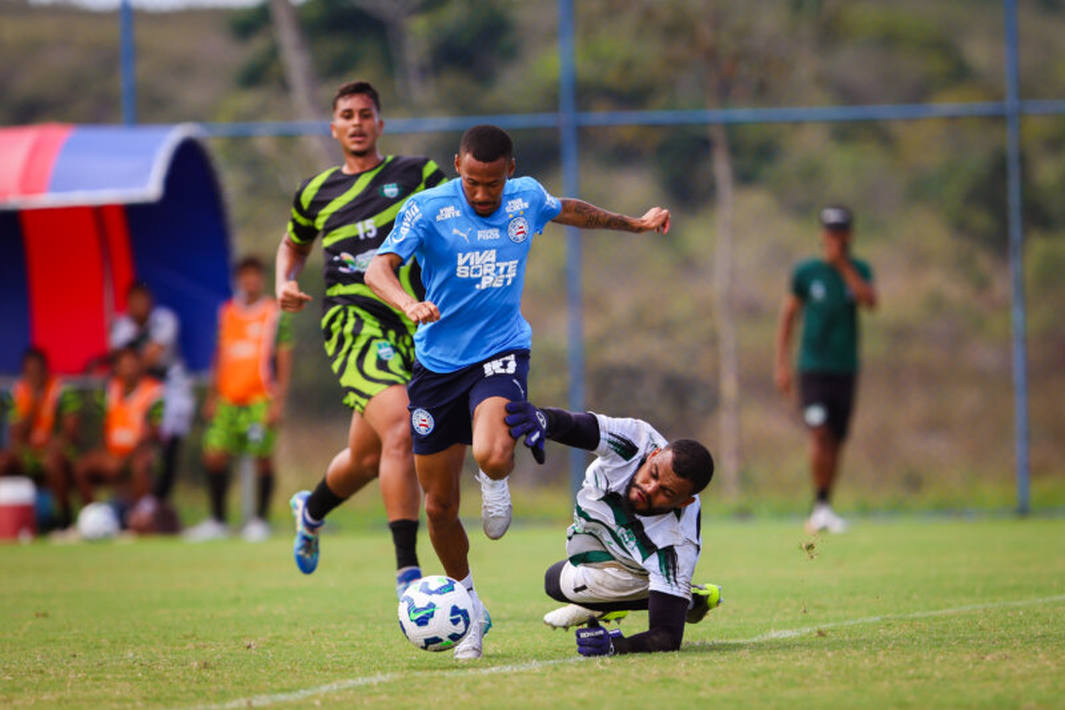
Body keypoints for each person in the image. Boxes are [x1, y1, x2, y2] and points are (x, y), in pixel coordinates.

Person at [365, 124, 671, 659]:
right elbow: (378, 268)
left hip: (500, 351)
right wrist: (407, 305)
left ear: (511, 169)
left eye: (493, 183)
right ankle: (468, 609)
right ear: (457, 164)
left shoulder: (525, 197)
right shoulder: (428, 209)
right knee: (438, 507)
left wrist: (634, 225)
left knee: (494, 451)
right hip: (436, 367)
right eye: (473, 182)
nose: (483, 194)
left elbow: (569, 209)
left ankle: (494, 476)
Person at [276, 80, 447, 595]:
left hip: (414, 321)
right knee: (401, 430)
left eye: (365, 113)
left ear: (380, 124)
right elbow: (293, 244)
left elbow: (458, 215)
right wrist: (285, 280)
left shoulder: (416, 175)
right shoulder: (315, 191)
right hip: (352, 322)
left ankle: (312, 510)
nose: (356, 122)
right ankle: (407, 573)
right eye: (346, 115)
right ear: (334, 128)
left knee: (369, 459)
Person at [502, 401, 721, 656]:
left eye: (666, 492)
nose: (649, 488)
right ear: (652, 456)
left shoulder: (675, 545)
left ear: (683, 502)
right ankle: (673, 598)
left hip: (631, 567)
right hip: (596, 530)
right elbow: (581, 426)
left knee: (555, 581)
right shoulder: (636, 441)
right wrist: (545, 420)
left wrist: (616, 646)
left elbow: (667, 635)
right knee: (567, 564)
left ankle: (685, 599)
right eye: (653, 473)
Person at [773, 205, 877, 534]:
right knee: (818, 432)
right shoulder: (807, 273)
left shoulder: (858, 269)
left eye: (840, 230)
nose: (834, 236)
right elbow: (788, 317)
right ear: (822, 233)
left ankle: (825, 504)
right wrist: (782, 365)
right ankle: (818, 506)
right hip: (813, 368)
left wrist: (843, 266)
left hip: (845, 368)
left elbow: (870, 302)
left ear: (849, 235)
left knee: (836, 439)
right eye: (829, 230)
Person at [185, 257, 293, 542]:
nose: (250, 281)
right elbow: (220, 355)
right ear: (238, 280)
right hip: (227, 400)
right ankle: (217, 521)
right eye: (245, 276)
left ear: (262, 279)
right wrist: (212, 395)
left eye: (255, 276)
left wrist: (278, 401)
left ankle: (260, 521)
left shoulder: (273, 312)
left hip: (260, 398)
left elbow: (283, 356)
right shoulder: (228, 312)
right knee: (214, 455)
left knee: (262, 458)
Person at [109, 281, 195, 508]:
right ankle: (135, 499)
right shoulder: (121, 326)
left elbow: (146, 359)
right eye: (134, 301)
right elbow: (121, 363)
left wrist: (131, 362)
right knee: (134, 440)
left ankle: (160, 498)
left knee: (168, 437)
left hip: (169, 386)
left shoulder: (165, 320)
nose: (139, 306)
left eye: (143, 300)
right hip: (139, 390)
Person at [72, 347, 163, 511]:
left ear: (140, 366)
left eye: (132, 364)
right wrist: (106, 454)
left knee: (140, 465)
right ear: (117, 368)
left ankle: (140, 518)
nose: (128, 369)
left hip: (138, 453)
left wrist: (126, 457)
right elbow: (103, 428)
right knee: (82, 467)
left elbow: (156, 431)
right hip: (112, 453)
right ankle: (92, 515)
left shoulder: (154, 391)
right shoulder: (109, 391)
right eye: (124, 365)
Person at [0, 348, 81, 529]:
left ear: (45, 370)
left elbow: (70, 432)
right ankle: (8, 520)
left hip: (57, 452)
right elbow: (16, 435)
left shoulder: (63, 391)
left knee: (52, 463)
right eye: (29, 372)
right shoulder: (18, 394)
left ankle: (64, 518)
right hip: (28, 453)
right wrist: (34, 404)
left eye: (37, 371)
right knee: (3, 461)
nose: (34, 376)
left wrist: (55, 443)